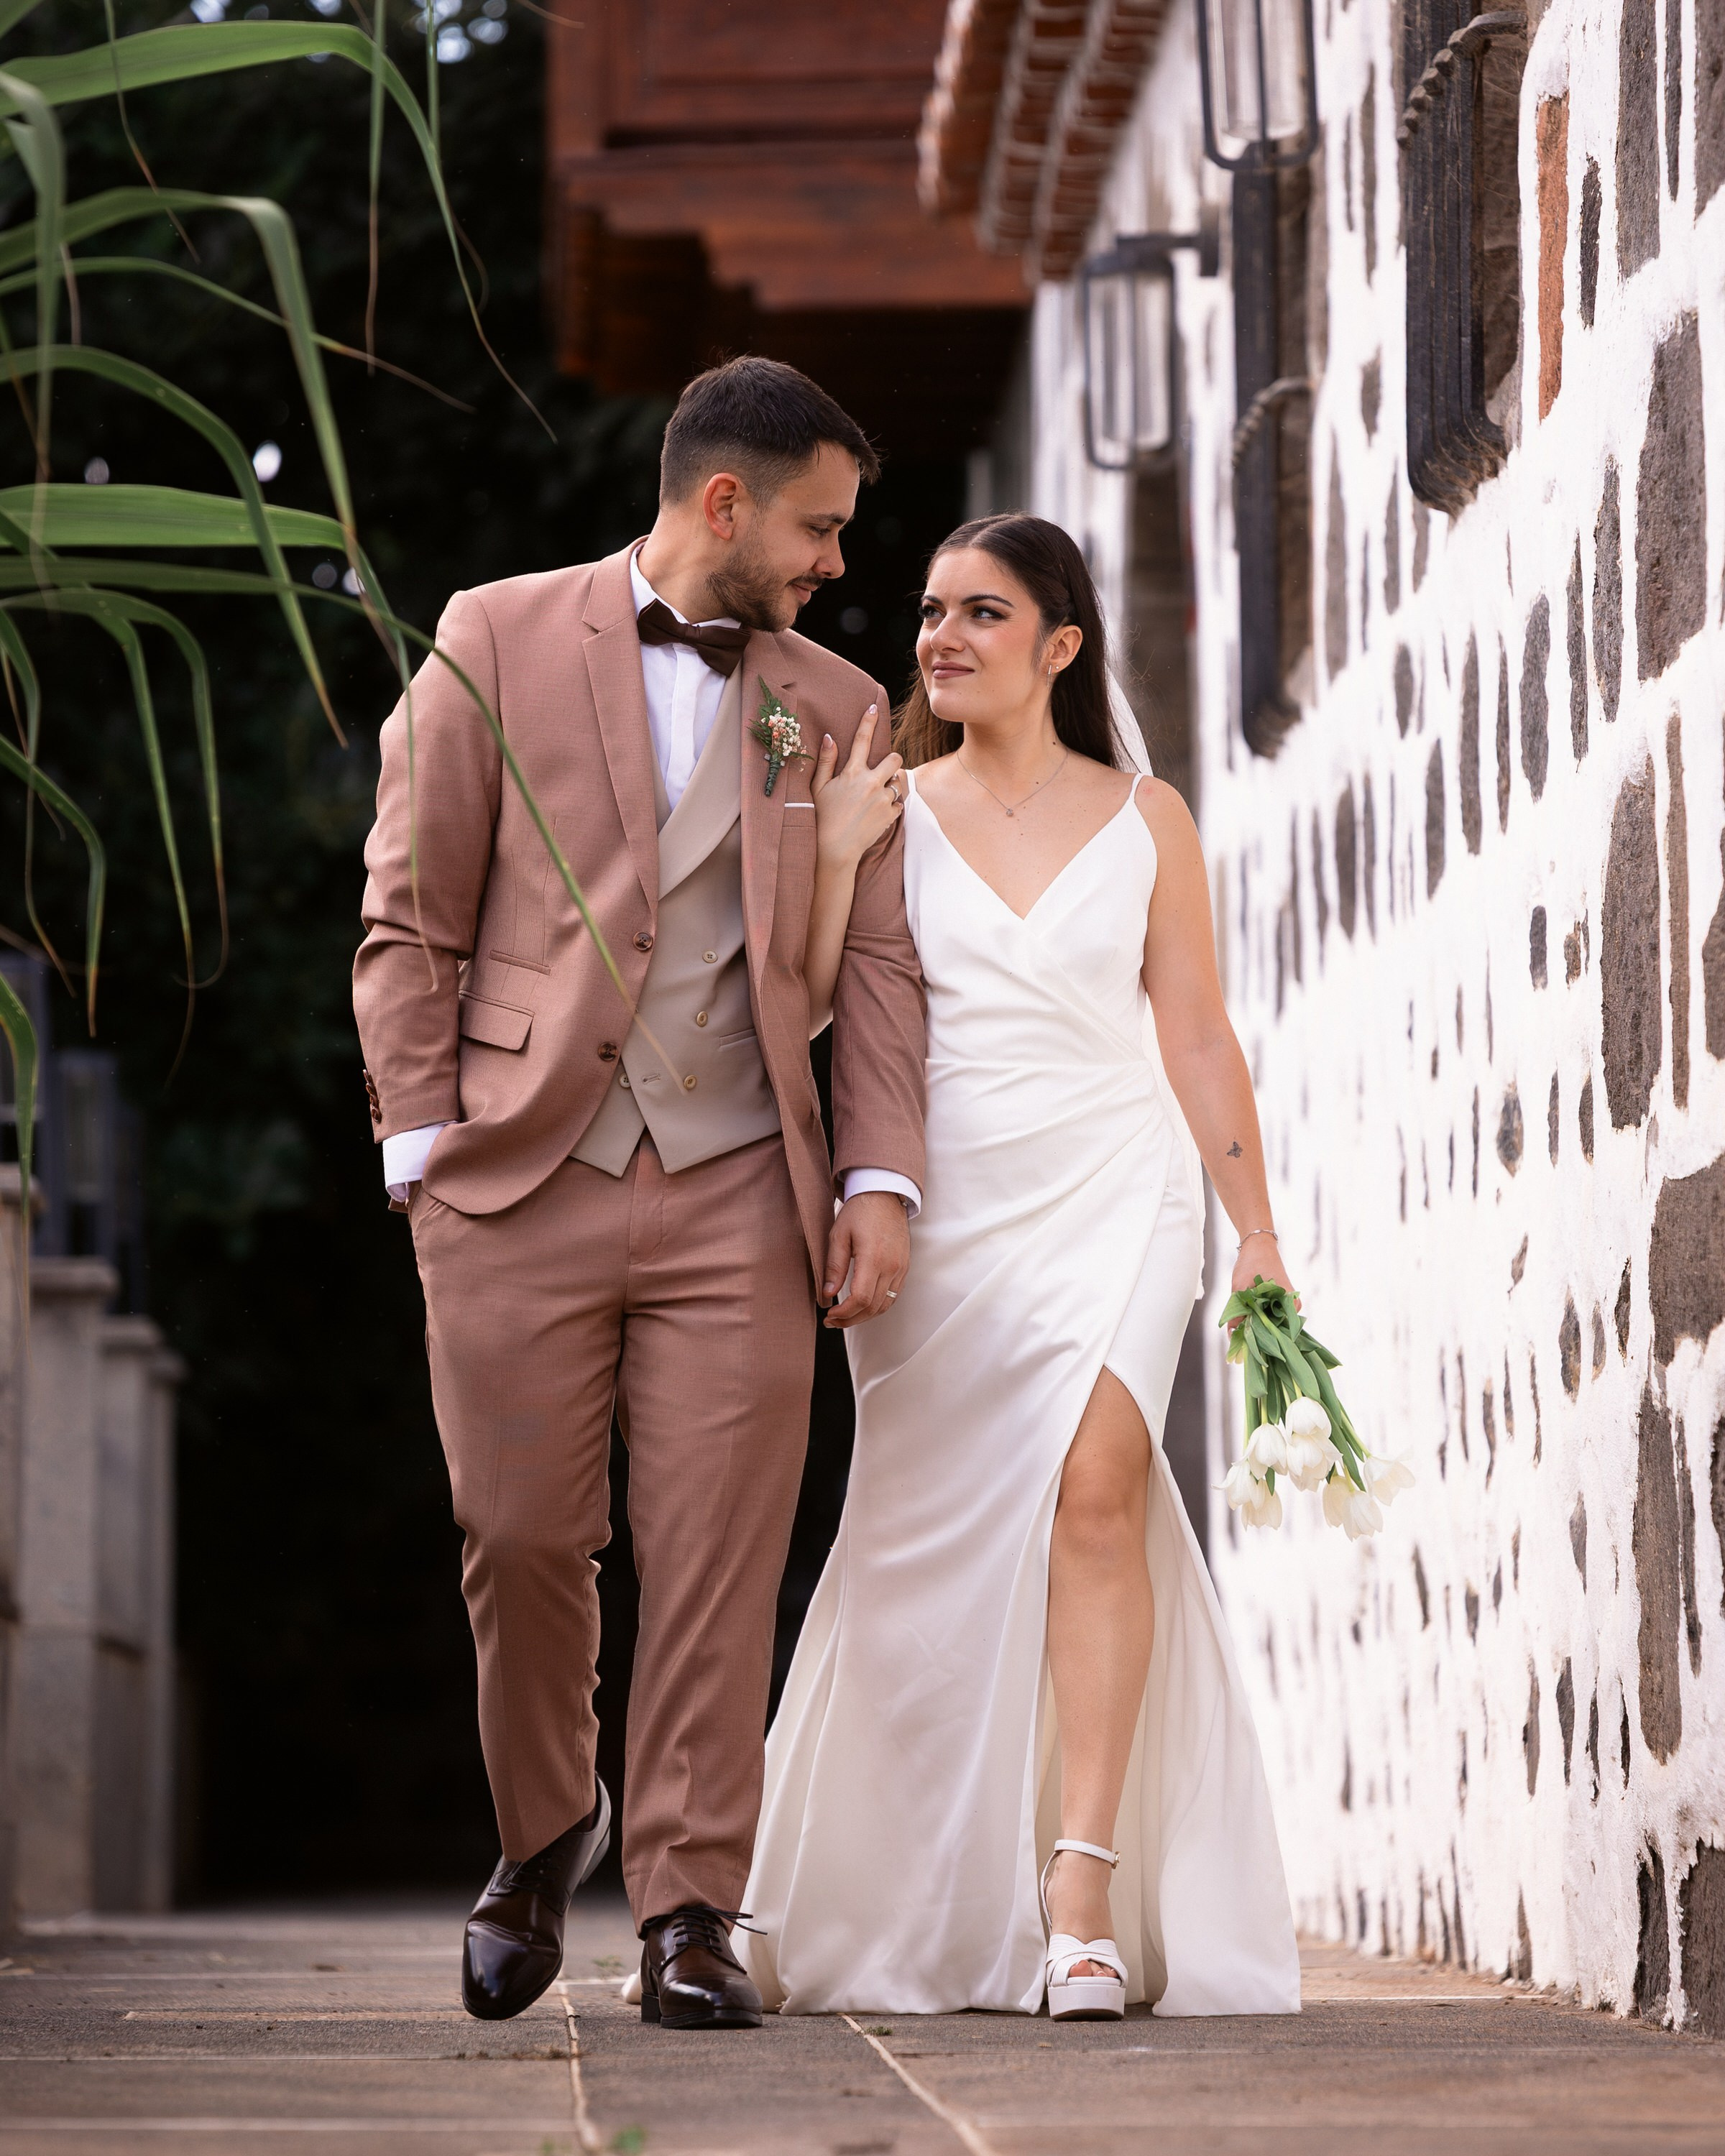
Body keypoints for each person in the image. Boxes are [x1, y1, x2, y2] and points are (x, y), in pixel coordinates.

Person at [352, 357, 926, 2031]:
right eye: (818, 528)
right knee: (522, 1535)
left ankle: (688, 1908)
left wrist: (878, 1177)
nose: (836, 564)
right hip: (513, 1174)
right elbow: (410, 916)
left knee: (719, 1557)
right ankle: (544, 1834)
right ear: (723, 503)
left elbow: (878, 969)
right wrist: (420, 1149)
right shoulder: (496, 634)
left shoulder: (836, 702)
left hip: (741, 1180)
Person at [741, 512, 1302, 2019]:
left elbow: (1196, 1034)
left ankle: (1082, 1892)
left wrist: (1255, 1234)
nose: (943, 637)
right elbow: (802, 1009)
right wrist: (833, 854)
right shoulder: (885, 803)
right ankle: (907, 1886)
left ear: (1061, 645)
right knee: (923, 1536)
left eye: (982, 612)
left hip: (1120, 1188)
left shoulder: (1148, 819)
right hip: (942, 1212)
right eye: (932, 611)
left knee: (1099, 1494)